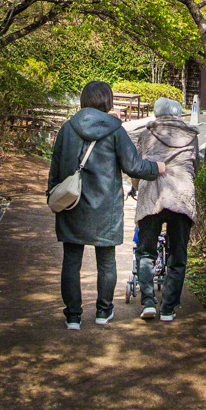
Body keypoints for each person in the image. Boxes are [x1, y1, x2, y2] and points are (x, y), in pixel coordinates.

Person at [48, 80, 164, 330]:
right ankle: (103, 311)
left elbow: (55, 167)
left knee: (71, 260)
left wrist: (52, 195)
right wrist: (157, 168)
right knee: (107, 261)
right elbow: (133, 166)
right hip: (106, 207)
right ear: (108, 101)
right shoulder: (116, 131)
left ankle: (73, 317)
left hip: (72, 203)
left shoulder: (67, 129)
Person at [132, 97, 198, 322]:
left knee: (146, 251)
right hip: (181, 195)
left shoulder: (145, 135)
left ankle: (148, 302)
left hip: (153, 194)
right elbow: (195, 166)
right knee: (177, 255)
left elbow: (137, 167)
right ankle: (168, 308)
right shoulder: (191, 136)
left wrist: (134, 189)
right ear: (179, 113)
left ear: (156, 113)